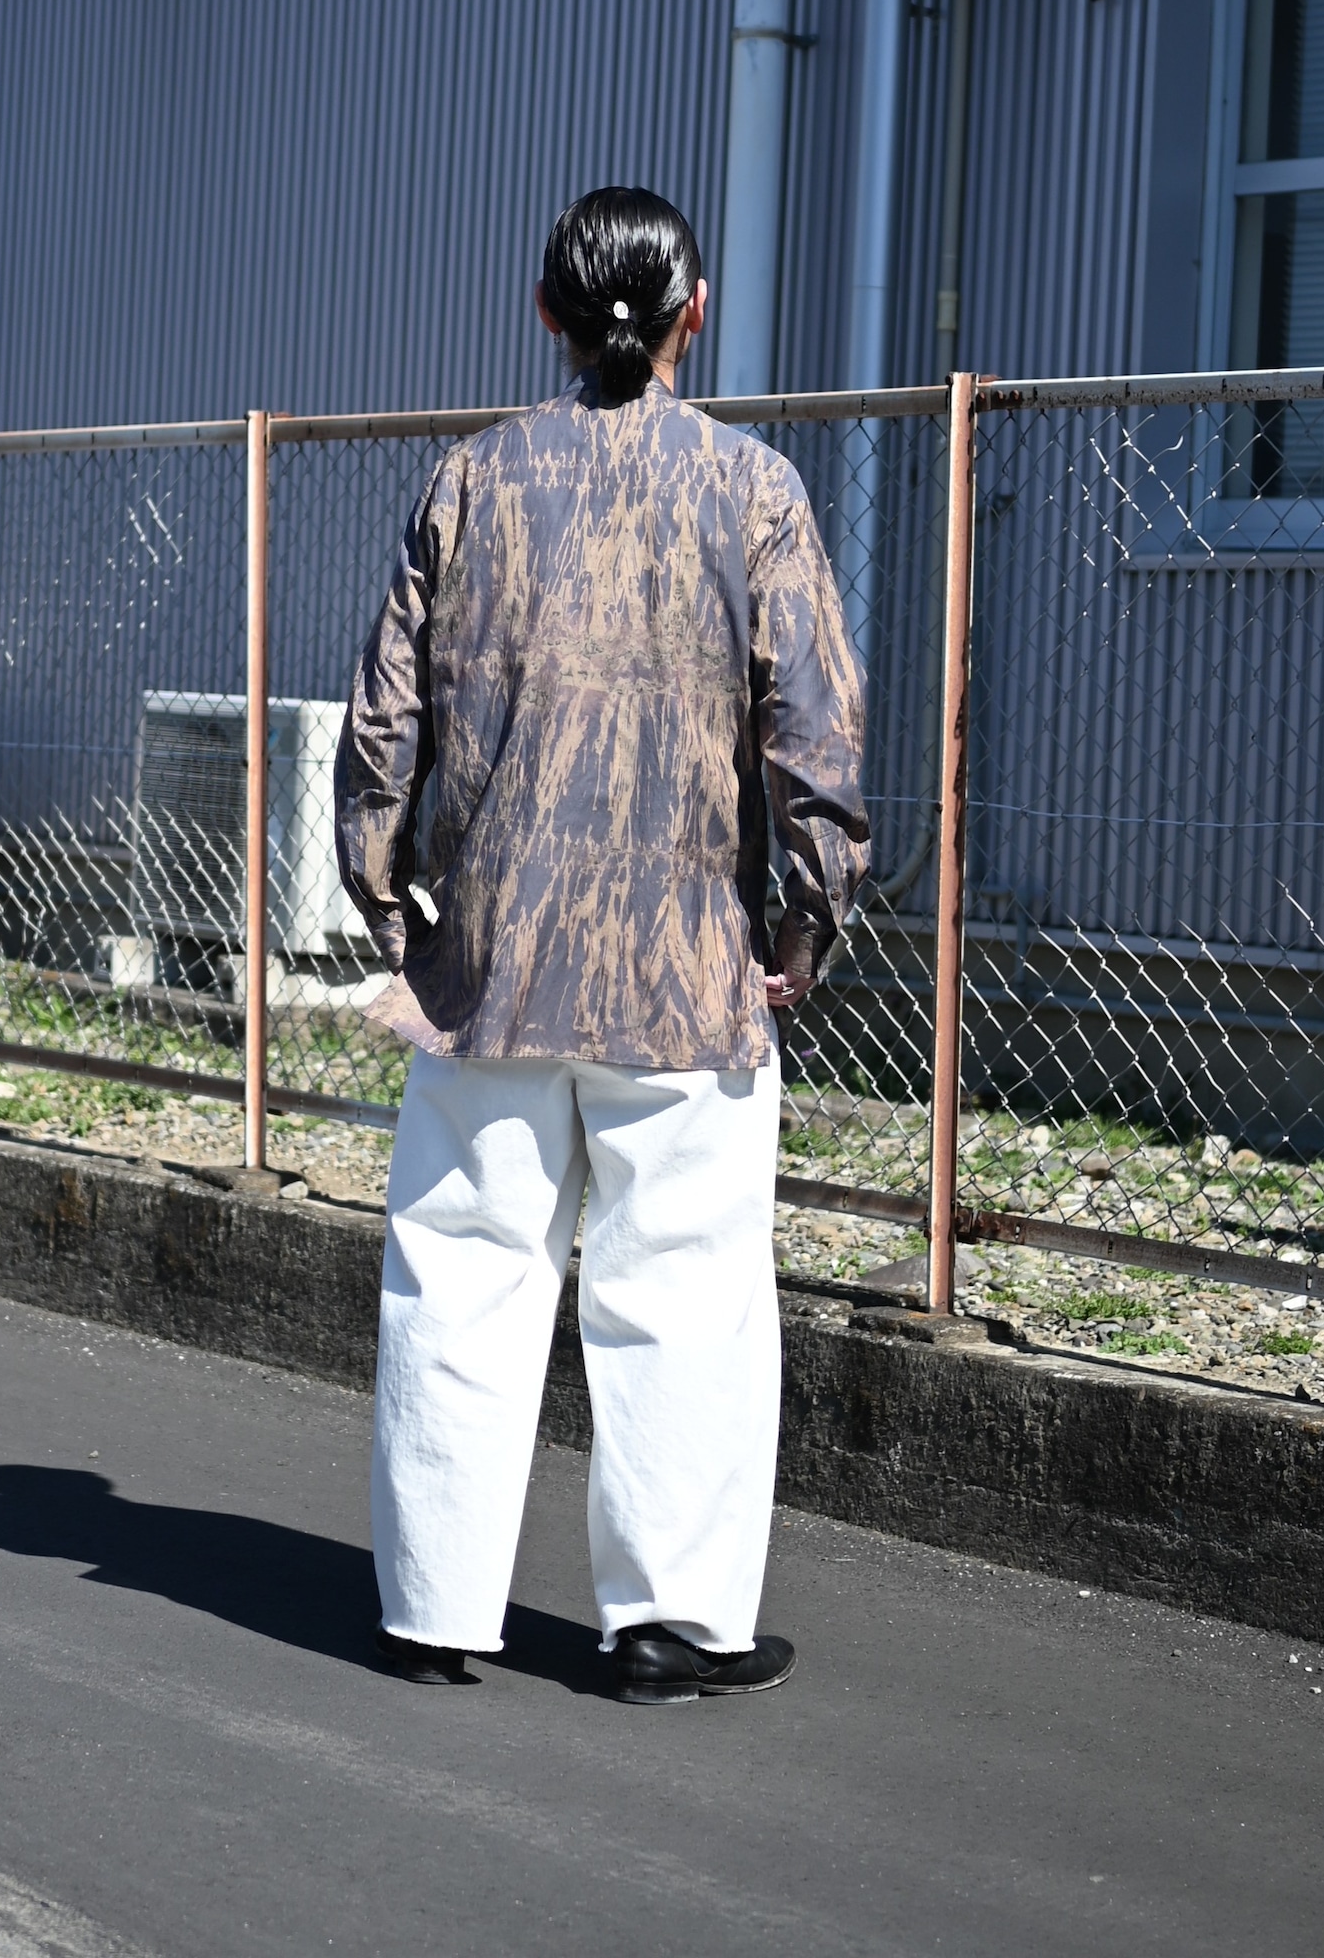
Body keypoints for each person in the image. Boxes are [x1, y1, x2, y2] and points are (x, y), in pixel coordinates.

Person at [334, 186, 869, 1704]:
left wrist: (388, 896)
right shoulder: (753, 488)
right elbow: (816, 732)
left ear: (548, 315)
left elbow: (384, 717)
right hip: (686, 969)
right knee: (682, 1295)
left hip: (489, 964)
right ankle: (670, 1627)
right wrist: (807, 916)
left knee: (462, 1276)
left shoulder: (472, 477)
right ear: (695, 313)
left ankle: (436, 1612)